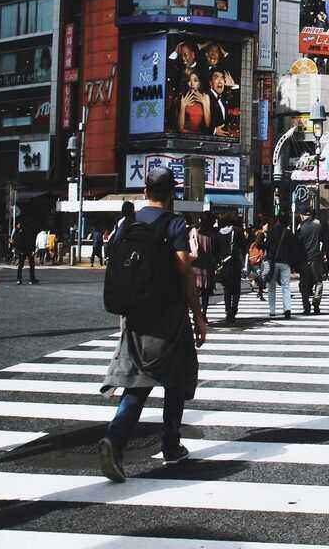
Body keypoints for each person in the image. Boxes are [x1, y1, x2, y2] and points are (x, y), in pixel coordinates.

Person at [98, 167, 207, 482]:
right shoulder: (174, 224)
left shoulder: (127, 223)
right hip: (168, 316)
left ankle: (115, 439)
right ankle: (170, 444)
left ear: (145, 190)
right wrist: (198, 315)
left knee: (138, 381)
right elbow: (185, 271)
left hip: (132, 315)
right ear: (172, 193)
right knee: (177, 377)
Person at [266, 215, 297, 318]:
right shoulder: (289, 233)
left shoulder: (271, 231)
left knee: (271, 286)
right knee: (286, 286)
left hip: (273, 261)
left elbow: (267, 246)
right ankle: (287, 309)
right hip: (285, 262)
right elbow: (293, 249)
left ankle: (272, 310)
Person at [216, 213, 245, 322]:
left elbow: (216, 250)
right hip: (235, 262)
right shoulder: (237, 231)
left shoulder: (219, 234)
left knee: (226, 289)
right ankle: (234, 309)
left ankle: (228, 310)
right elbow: (243, 246)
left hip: (224, 263)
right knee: (236, 288)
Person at [295, 207, 324, 316]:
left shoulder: (301, 227)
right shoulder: (318, 225)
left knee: (304, 284)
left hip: (304, 259)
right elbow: (322, 240)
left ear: (302, 216)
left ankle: (306, 306)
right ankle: (316, 303)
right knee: (318, 282)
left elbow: (297, 244)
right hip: (316, 258)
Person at [12, 220, 38, 285]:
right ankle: (31, 279)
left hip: (22, 250)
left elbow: (15, 241)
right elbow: (32, 240)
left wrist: (17, 250)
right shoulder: (29, 229)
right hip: (29, 249)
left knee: (20, 265)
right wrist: (33, 249)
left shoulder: (18, 231)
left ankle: (19, 279)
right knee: (31, 264)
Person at [246, 226, 268, 300]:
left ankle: (254, 283)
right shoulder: (262, 245)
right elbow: (263, 255)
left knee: (258, 277)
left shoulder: (253, 244)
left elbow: (249, 252)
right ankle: (260, 293)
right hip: (258, 263)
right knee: (260, 278)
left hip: (252, 262)